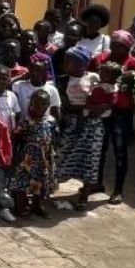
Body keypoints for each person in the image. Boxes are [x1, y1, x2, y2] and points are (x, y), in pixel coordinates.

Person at [89, 30, 135, 204]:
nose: (115, 49)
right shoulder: (100, 59)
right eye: (113, 45)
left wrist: (128, 78)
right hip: (100, 111)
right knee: (99, 148)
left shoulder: (134, 63)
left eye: (120, 46)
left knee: (120, 151)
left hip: (121, 113)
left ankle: (118, 190)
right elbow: (90, 80)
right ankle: (97, 183)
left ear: (127, 47)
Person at [56, 46, 102, 210]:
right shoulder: (62, 81)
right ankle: (50, 187)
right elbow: (66, 106)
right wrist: (87, 108)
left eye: (69, 61)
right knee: (62, 156)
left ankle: (84, 195)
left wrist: (96, 109)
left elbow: (103, 98)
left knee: (90, 160)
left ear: (82, 64)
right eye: (65, 60)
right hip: (71, 125)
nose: (65, 64)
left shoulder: (94, 78)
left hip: (93, 126)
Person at [10, 90, 57, 218]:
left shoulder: (51, 121)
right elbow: (16, 139)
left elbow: (54, 138)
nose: (40, 107)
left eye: (44, 104)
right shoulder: (26, 122)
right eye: (36, 104)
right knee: (23, 181)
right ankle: (21, 206)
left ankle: (37, 205)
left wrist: (52, 155)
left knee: (41, 182)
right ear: (30, 104)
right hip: (28, 159)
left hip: (44, 158)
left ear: (48, 105)